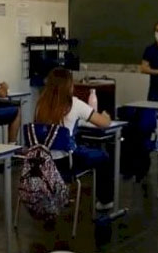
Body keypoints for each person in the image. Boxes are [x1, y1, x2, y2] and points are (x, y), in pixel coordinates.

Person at [35, 68, 115, 210]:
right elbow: (104, 123)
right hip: (67, 163)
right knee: (103, 157)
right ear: (69, 85)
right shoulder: (74, 104)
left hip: (42, 162)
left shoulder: (41, 104)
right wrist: (106, 116)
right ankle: (105, 201)